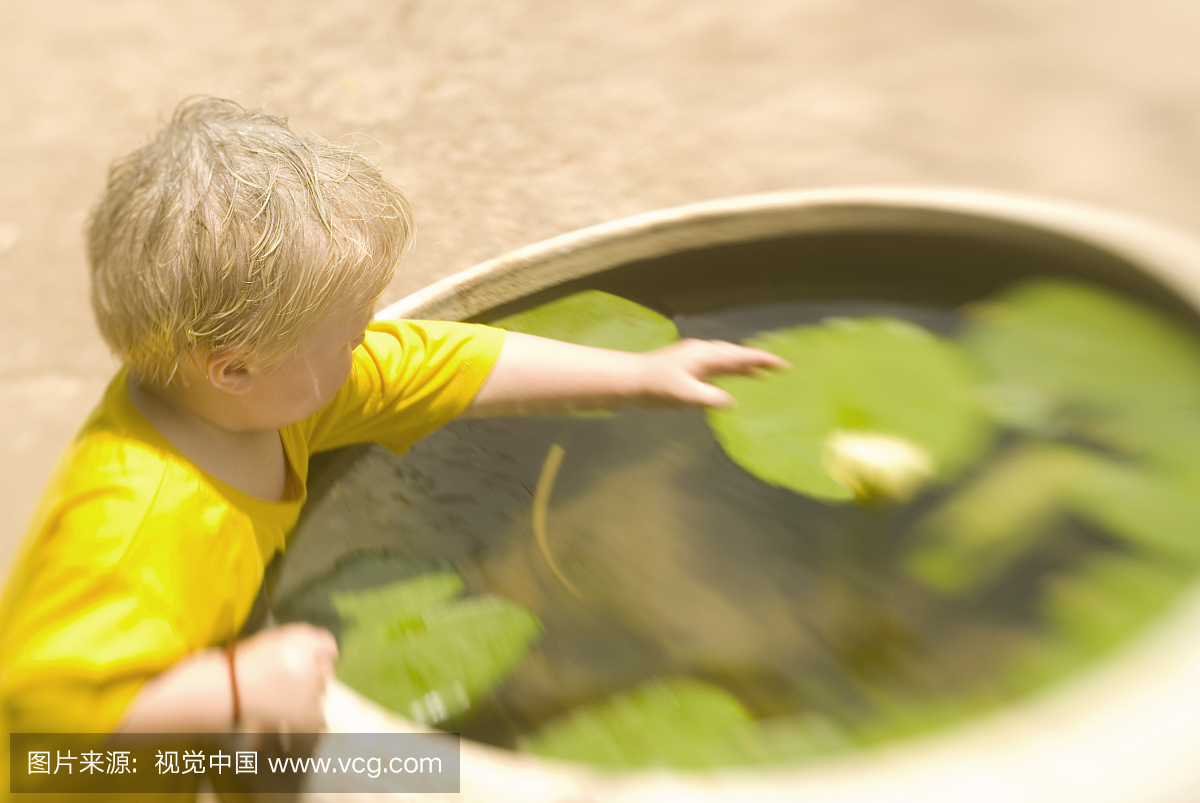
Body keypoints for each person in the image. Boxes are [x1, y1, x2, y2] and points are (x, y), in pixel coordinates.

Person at [0, 97, 784, 793]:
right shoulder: (131, 526)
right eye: (347, 335)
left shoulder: (254, 400)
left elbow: (437, 364)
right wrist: (235, 689)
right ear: (236, 366)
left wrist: (639, 375)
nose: (369, 343)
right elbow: (43, 733)